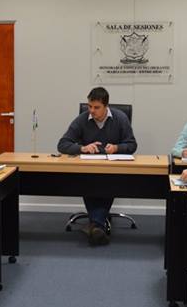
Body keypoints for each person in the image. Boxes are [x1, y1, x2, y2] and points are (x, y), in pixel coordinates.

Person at [57, 87, 137, 246]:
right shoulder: (82, 119)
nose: (91, 111)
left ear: (106, 106)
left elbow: (132, 144)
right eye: (89, 106)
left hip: (112, 169)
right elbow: (62, 144)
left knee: (107, 183)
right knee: (89, 182)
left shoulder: (120, 118)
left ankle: (95, 224)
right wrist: (82, 148)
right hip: (88, 168)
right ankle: (98, 225)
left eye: (96, 107)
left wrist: (116, 148)